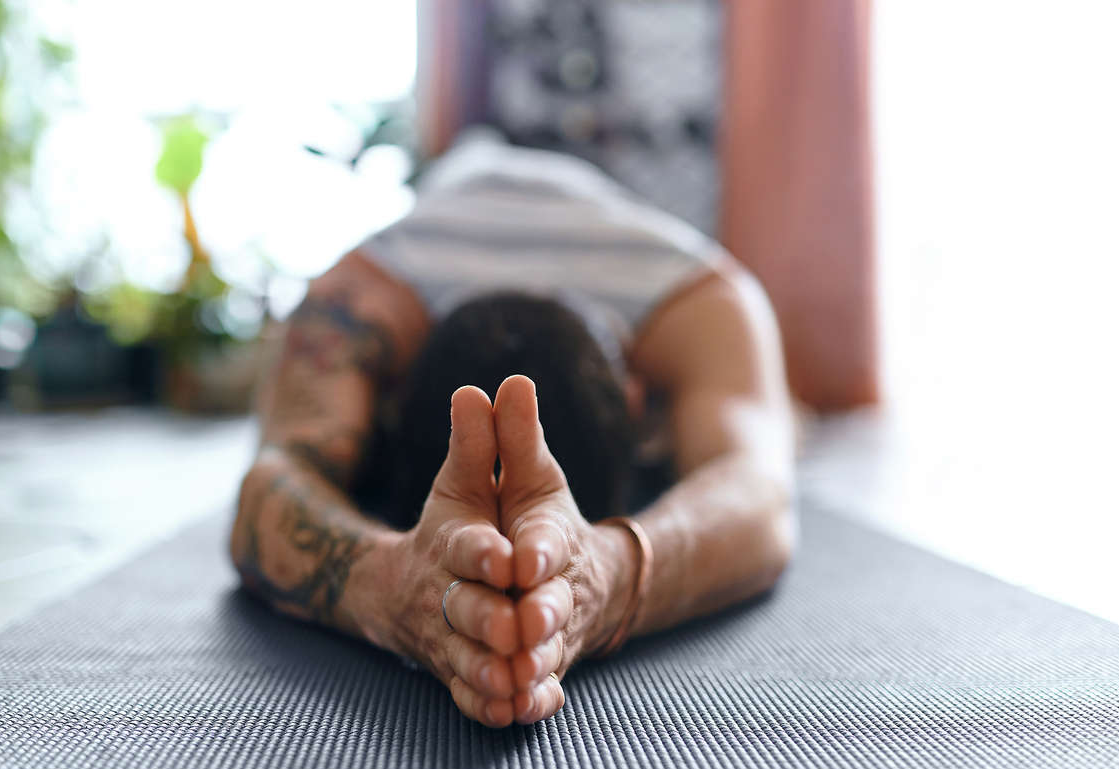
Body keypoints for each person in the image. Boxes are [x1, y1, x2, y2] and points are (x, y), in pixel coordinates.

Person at [229, 136, 795, 727]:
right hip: (455, 175)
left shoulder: (701, 296)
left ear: (638, 400)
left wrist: (602, 576)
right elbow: (274, 477)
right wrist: (395, 588)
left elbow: (760, 494)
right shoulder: (363, 292)